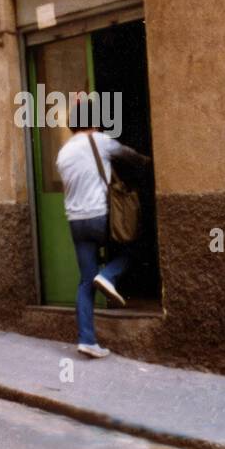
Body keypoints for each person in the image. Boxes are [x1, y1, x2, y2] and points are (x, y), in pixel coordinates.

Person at [55, 95, 150, 358]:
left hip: (76, 223)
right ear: (94, 121)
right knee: (134, 247)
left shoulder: (63, 152)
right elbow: (133, 158)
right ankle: (108, 276)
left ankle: (87, 340)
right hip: (100, 217)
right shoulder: (101, 142)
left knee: (85, 281)